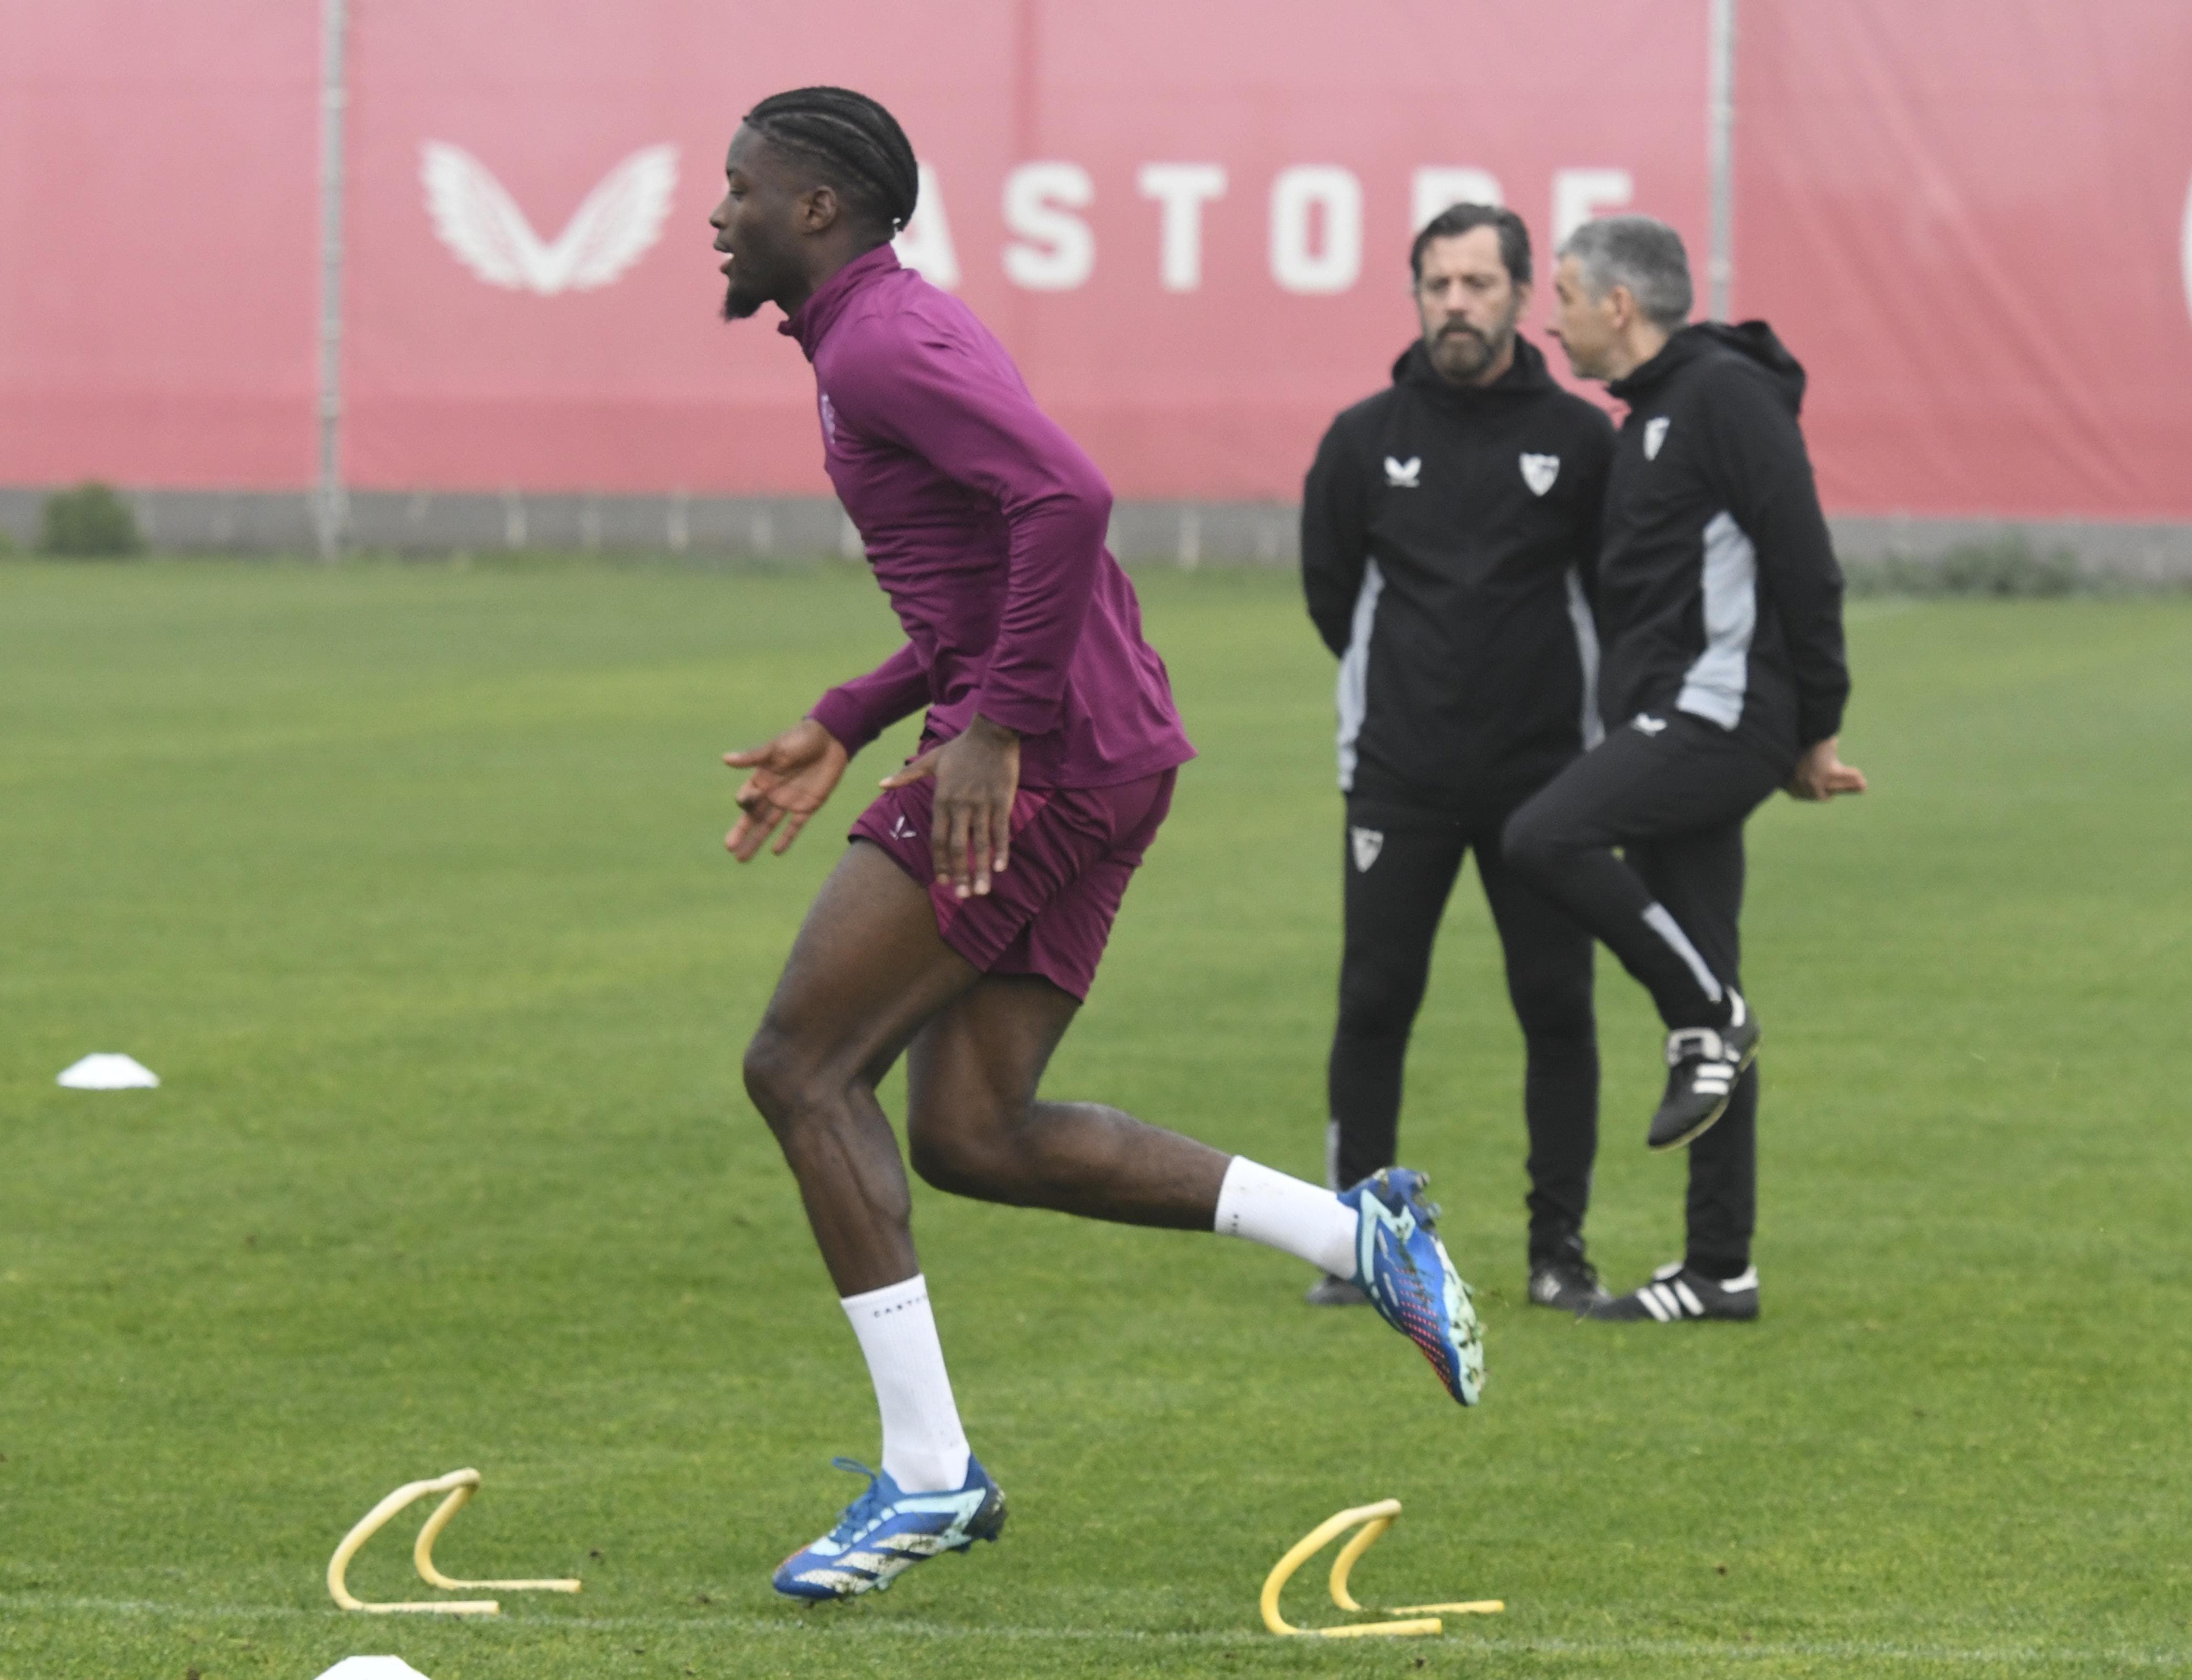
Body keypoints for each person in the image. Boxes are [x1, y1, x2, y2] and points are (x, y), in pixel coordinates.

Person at [707, 86, 1484, 1603]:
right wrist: (859, 712)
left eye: (736, 188)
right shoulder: (870, 332)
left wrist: (987, 729)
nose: (715, 213)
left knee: (798, 1066)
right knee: (972, 1132)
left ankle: (929, 1477)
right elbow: (985, 566)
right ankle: (1361, 1235)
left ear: (816, 209)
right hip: (1094, 745)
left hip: (1047, 758)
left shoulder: (879, 339)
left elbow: (1069, 496)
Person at [1502, 214, 1865, 1323]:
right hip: (1677, 720)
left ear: (1618, 304)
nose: (1547, 317)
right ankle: (1719, 1269)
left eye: (1560, 293)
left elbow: (1805, 559)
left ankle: (1706, 1014)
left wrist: (1816, 726)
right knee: (1713, 962)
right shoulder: (1653, 415)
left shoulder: (1723, 398)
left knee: (1543, 838)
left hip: (1721, 720)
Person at [1300, 204, 1616, 1315]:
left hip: (1547, 789)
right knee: (1374, 1002)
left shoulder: (1582, 444)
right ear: (1415, 295)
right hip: (1399, 777)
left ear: (1524, 295)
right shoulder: (1361, 438)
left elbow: (1614, 603)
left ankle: (1558, 1250)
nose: (1457, 305)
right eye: (1438, 284)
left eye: (1479, 284)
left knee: (1555, 1007)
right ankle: (1358, 1247)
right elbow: (1334, 600)